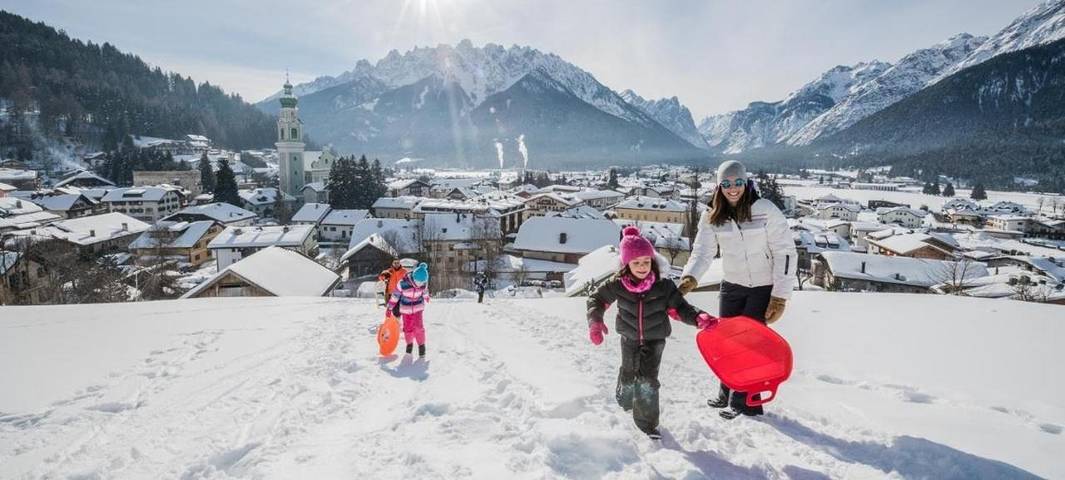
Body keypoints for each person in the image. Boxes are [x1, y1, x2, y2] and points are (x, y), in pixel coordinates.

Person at [678, 160, 797, 420]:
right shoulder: (712, 214)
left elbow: (785, 252)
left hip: (763, 289)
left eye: (738, 183)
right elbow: (703, 251)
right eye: (727, 184)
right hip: (732, 286)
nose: (733, 189)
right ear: (719, 186)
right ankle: (725, 392)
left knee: (751, 346)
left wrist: (780, 296)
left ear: (746, 182)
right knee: (726, 343)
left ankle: (745, 402)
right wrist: (690, 278)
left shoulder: (765, 210)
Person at [587, 227, 717, 439]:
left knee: (647, 380)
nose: (642, 267)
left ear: (653, 261)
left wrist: (698, 317)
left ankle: (646, 424)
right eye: (636, 263)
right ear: (626, 264)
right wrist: (595, 321)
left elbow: (680, 308)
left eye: (646, 262)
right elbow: (597, 299)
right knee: (629, 372)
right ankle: (624, 397)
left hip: (655, 339)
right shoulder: (618, 284)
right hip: (628, 337)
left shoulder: (663, 286)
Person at [386, 262, 431, 358]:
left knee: (418, 327)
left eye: (422, 283)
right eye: (418, 282)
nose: (419, 285)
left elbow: (425, 291)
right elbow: (395, 296)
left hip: (418, 308)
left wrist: (426, 297)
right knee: (408, 328)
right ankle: (409, 344)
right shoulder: (402, 283)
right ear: (414, 277)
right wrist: (390, 308)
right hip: (406, 310)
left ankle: (421, 346)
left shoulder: (423, 283)